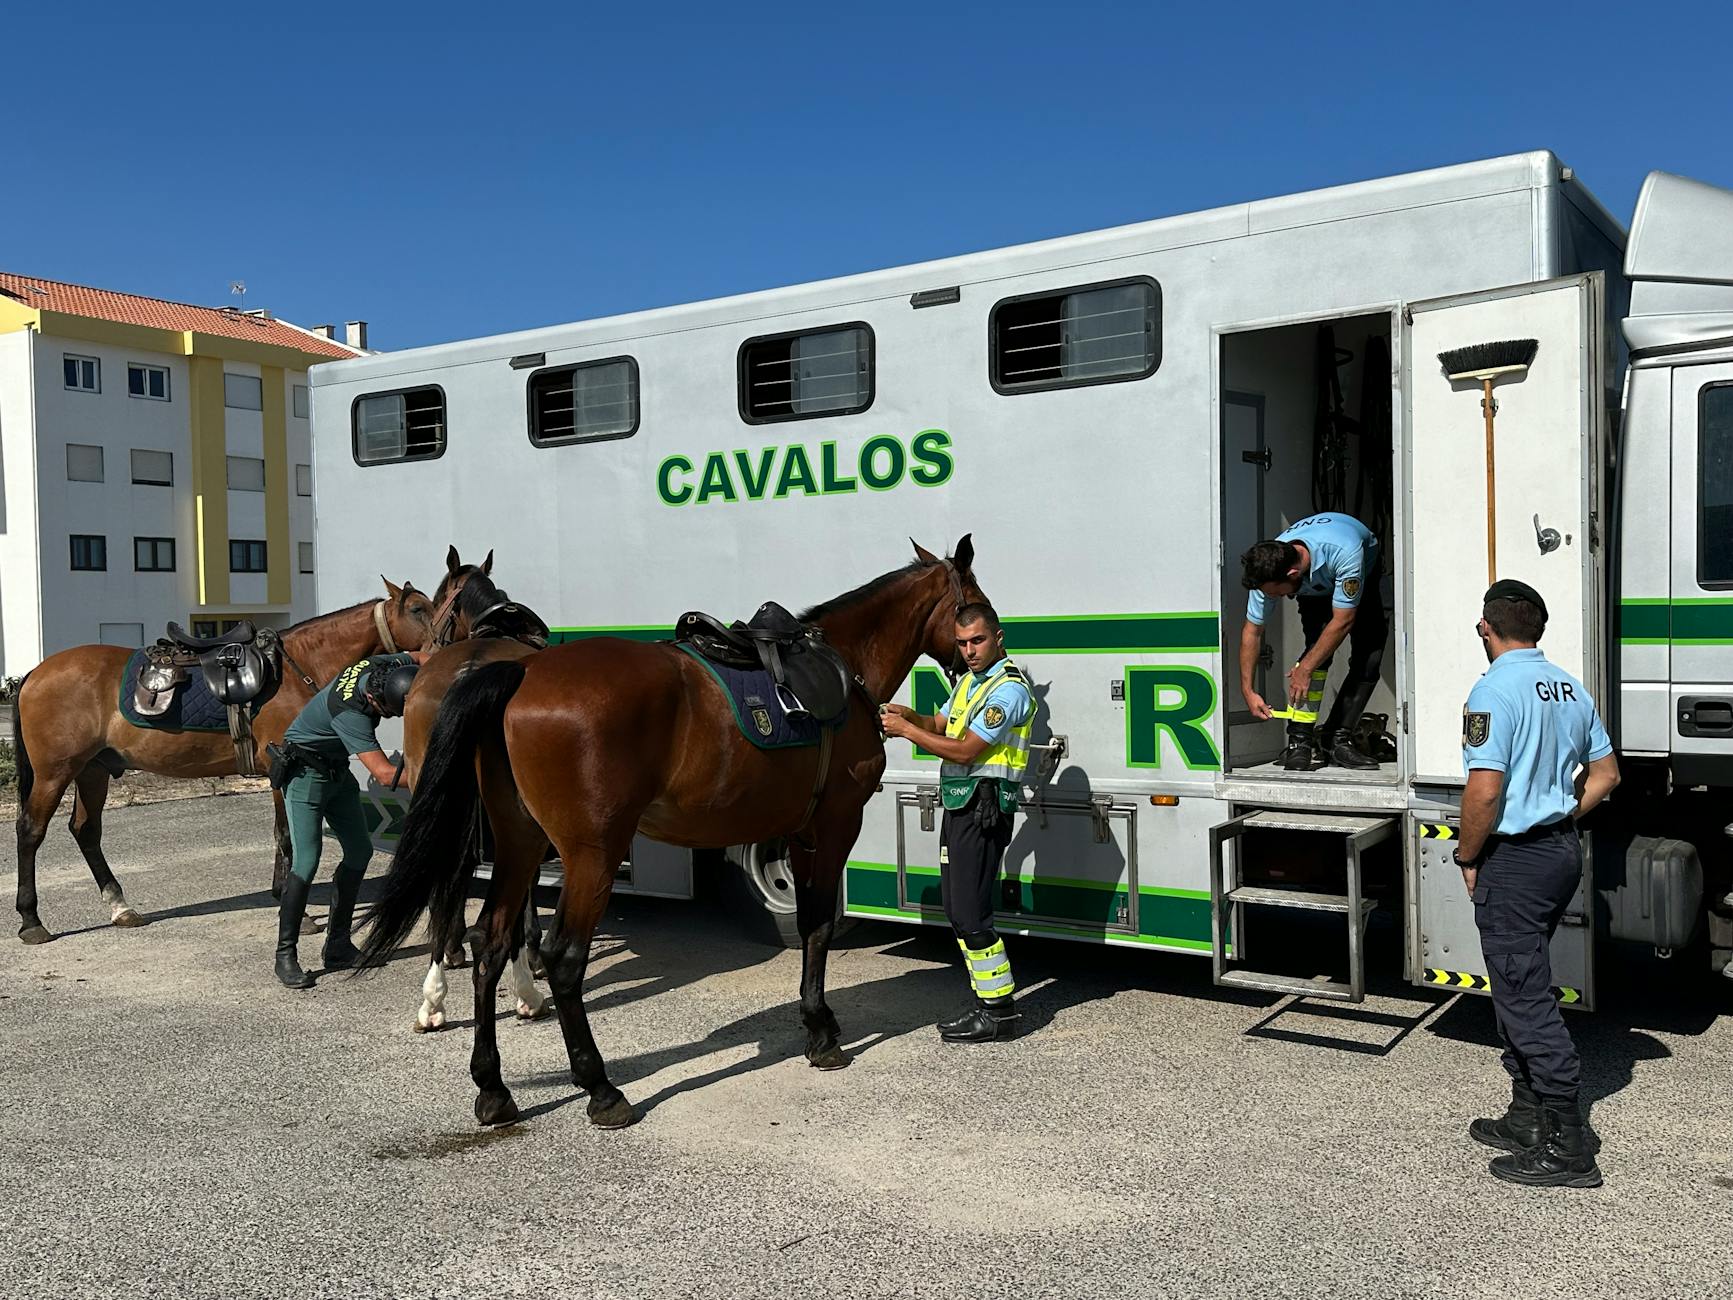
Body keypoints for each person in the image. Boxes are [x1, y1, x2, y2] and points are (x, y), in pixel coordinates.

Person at [1453, 579, 1620, 1188]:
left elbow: (1484, 791)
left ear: (1485, 628)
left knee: (1524, 996)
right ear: (1539, 629)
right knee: (1517, 981)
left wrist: (1467, 854)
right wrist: (1562, 815)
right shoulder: (1569, 686)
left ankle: (1568, 1145)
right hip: (1558, 852)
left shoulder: (1492, 690)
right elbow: (1606, 775)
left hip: (1516, 860)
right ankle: (1525, 1117)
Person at [879, 602, 1037, 1042]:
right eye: (962, 643)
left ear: (998, 638)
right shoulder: (970, 682)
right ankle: (987, 1004)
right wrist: (908, 716)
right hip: (961, 805)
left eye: (977, 641)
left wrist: (907, 733)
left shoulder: (1008, 690)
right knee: (957, 909)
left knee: (971, 913)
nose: (969, 650)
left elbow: (966, 750)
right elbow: (940, 723)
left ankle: (999, 1012)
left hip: (983, 809)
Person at [270, 651, 428, 989]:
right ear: (373, 699)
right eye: (387, 712)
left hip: (336, 772)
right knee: (306, 862)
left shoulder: (382, 666)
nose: (388, 718)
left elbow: (419, 656)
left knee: (359, 852)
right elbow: (384, 774)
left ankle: (338, 946)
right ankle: (285, 955)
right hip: (305, 776)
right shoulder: (351, 714)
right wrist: (438, 770)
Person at [1238, 512, 1387, 771]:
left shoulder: (1344, 550)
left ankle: (1336, 739)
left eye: (1276, 593)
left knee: (1369, 655)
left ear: (1292, 573)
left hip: (1358, 569)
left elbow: (1343, 621)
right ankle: (1299, 742)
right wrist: (1248, 691)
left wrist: (1305, 668)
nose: (1275, 597)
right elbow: (1252, 632)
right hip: (1313, 584)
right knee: (1317, 651)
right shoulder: (1269, 568)